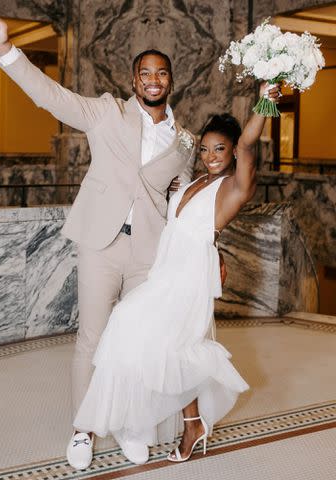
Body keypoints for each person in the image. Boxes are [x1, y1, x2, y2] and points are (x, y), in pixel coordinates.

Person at [0, 11, 205, 470]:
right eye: (146, 73)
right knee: (93, 339)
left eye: (162, 73)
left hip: (149, 252)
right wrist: (6, 50)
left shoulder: (185, 140)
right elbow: (51, 97)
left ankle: (132, 425)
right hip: (100, 245)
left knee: (139, 343)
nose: (154, 80)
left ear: (172, 81)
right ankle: (84, 429)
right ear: (133, 80)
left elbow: (180, 200)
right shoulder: (106, 112)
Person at [71, 83, 281, 466]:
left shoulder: (235, 186)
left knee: (145, 332)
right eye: (204, 148)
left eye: (220, 148)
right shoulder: (196, 181)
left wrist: (265, 98)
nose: (210, 156)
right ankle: (182, 424)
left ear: (234, 151)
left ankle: (162, 424)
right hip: (166, 268)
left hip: (187, 274)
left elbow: (250, 142)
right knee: (169, 348)